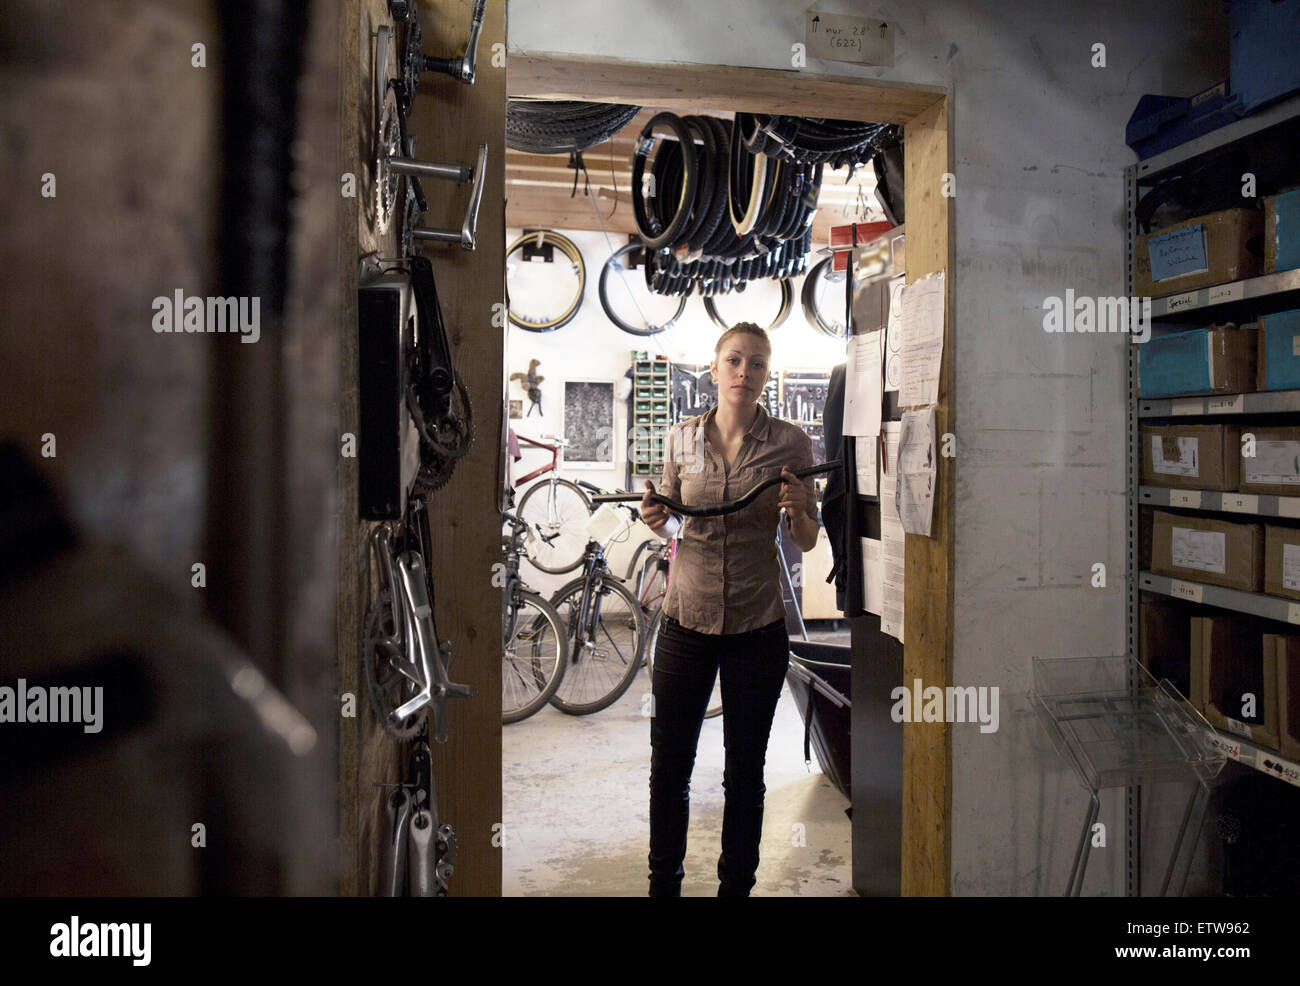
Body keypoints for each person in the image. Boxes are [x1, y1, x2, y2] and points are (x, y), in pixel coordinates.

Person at [639, 322, 819, 897]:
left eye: (757, 364)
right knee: (669, 767)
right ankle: (662, 885)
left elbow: (809, 538)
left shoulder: (792, 444)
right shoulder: (679, 440)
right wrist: (656, 519)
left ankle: (735, 889)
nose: (745, 373)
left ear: (768, 374)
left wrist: (798, 512)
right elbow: (672, 523)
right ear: (714, 369)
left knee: (745, 774)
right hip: (685, 618)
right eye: (735, 361)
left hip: (755, 624)